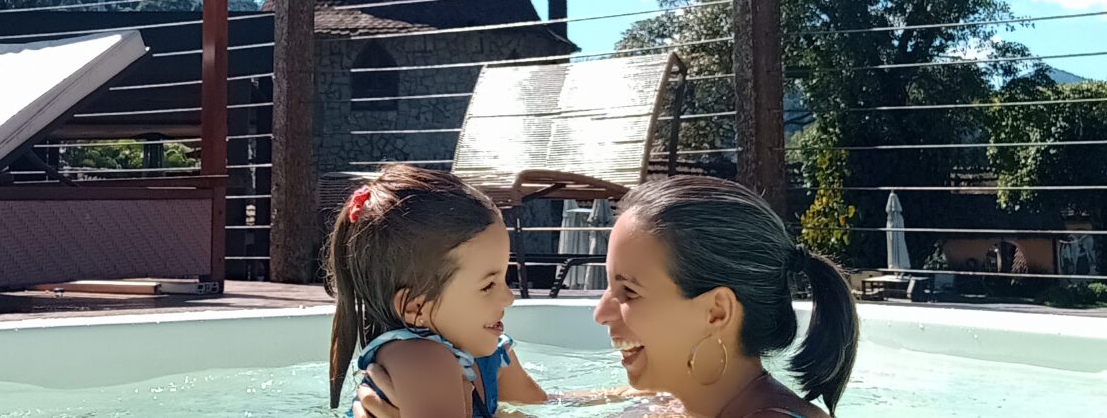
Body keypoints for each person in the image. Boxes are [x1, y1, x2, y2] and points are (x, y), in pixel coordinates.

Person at [354, 176, 859, 417]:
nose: (600, 313)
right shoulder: (672, 404)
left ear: (716, 311)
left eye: (628, 291)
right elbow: (552, 405)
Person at [326, 164, 547, 417]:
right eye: (488, 285)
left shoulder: (489, 354)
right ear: (416, 307)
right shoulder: (420, 357)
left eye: (505, 278)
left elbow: (552, 405)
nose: (508, 298)